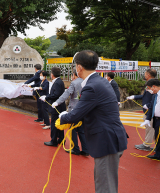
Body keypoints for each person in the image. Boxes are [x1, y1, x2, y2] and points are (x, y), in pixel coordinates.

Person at [60, 50, 128, 193]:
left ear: (79, 67)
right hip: (111, 138)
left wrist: (63, 116)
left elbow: (75, 115)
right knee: (106, 183)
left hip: (107, 141)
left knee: (105, 187)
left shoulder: (92, 86)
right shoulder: (100, 80)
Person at [52, 68, 89, 156]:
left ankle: (75, 149)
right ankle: (86, 149)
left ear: (74, 75)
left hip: (75, 110)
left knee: (72, 130)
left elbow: (66, 94)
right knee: (81, 131)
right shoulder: (86, 82)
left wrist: (57, 102)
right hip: (84, 110)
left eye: (72, 75)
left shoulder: (74, 83)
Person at [127, 68, 157, 151]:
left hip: (151, 111)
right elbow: (144, 96)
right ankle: (157, 146)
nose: (144, 75)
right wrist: (134, 97)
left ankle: (147, 145)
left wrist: (149, 105)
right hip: (148, 110)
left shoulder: (154, 85)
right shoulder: (149, 84)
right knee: (152, 129)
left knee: (150, 129)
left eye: (145, 73)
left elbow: (156, 98)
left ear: (148, 75)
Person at [39, 67, 66, 146]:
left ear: (52, 74)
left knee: (54, 123)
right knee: (59, 123)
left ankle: (53, 140)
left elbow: (56, 94)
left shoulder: (57, 82)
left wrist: (46, 97)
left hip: (57, 107)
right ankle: (61, 139)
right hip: (59, 106)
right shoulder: (58, 81)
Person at [142, 78, 160, 160]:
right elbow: (151, 107)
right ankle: (158, 154)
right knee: (157, 137)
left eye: (149, 88)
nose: (149, 90)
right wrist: (147, 119)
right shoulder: (155, 95)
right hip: (156, 119)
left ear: (154, 87)